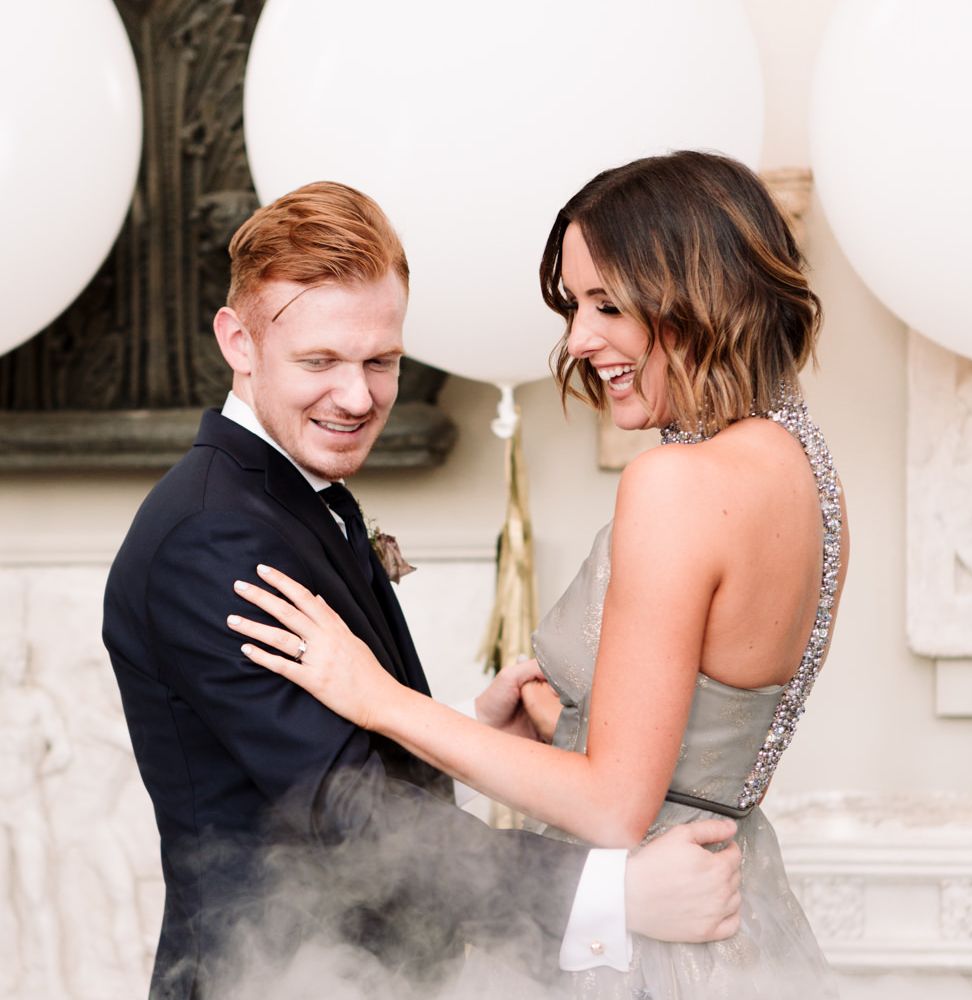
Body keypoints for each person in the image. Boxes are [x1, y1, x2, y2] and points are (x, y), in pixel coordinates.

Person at [228, 152, 850, 998]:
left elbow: (613, 808)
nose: (579, 339)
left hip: (645, 930)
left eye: (606, 304)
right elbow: (712, 734)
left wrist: (375, 696)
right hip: (739, 911)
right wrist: (565, 720)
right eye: (573, 306)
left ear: (696, 291)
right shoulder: (803, 466)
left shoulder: (676, 482)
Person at [102, 180, 743, 1000]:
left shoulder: (286, 493)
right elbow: (348, 816)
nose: (359, 396)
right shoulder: (211, 537)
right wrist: (612, 895)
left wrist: (468, 735)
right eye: (320, 361)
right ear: (238, 341)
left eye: (381, 360)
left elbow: (323, 748)